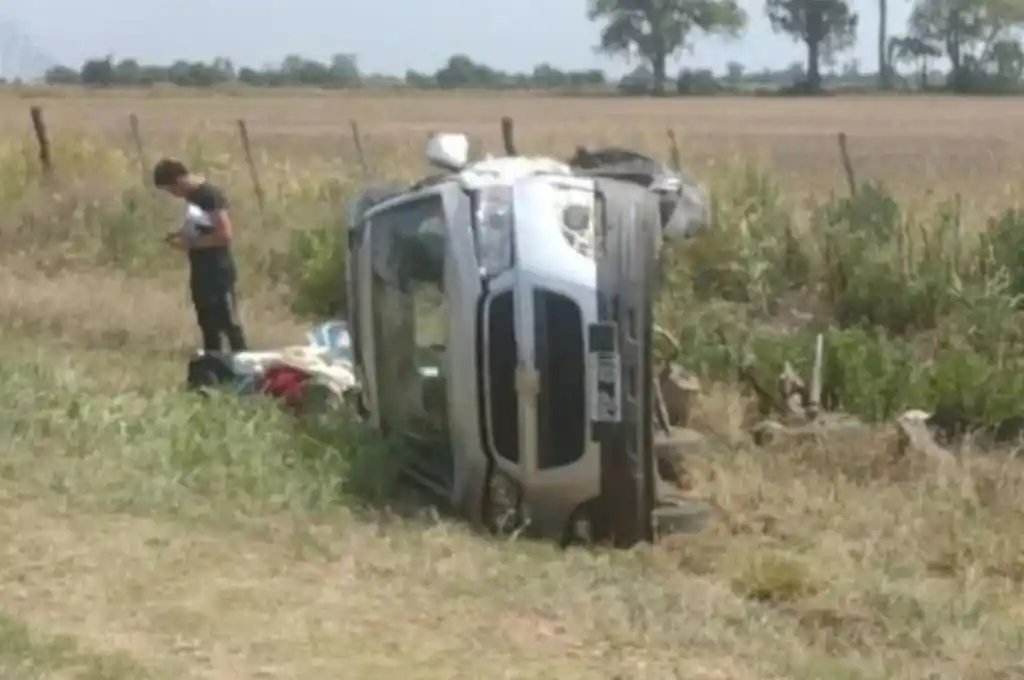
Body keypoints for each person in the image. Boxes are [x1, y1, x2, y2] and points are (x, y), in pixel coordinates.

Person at [152, 158, 248, 354]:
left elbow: (223, 235)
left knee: (227, 320)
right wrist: (180, 235)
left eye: (171, 189)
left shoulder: (208, 196)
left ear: (179, 180)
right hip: (201, 267)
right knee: (207, 320)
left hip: (217, 269)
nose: (173, 195)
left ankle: (243, 362)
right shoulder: (192, 198)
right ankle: (213, 364)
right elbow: (201, 226)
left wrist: (189, 244)